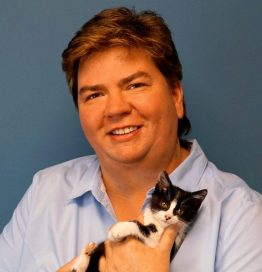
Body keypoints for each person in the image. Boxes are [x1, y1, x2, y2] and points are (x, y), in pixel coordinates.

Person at [0, 7, 262, 272]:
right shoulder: (44, 193)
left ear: (176, 96)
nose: (115, 109)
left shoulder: (243, 216)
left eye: (135, 85)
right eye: (94, 95)